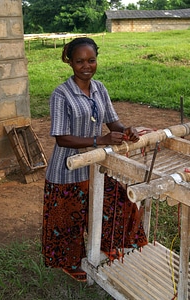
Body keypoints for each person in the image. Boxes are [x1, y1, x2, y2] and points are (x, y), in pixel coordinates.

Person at [42, 37, 147, 282]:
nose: (86, 66)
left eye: (91, 60)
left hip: (96, 165)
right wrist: (101, 140)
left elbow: (113, 122)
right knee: (69, 219)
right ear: (69, 61)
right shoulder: (61, 94)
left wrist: (126, 129)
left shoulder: (100, 88)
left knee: (116, 204)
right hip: (67, 169)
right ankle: (68, 262)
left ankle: (104, 244)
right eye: (80, 61)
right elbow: (62, 139)